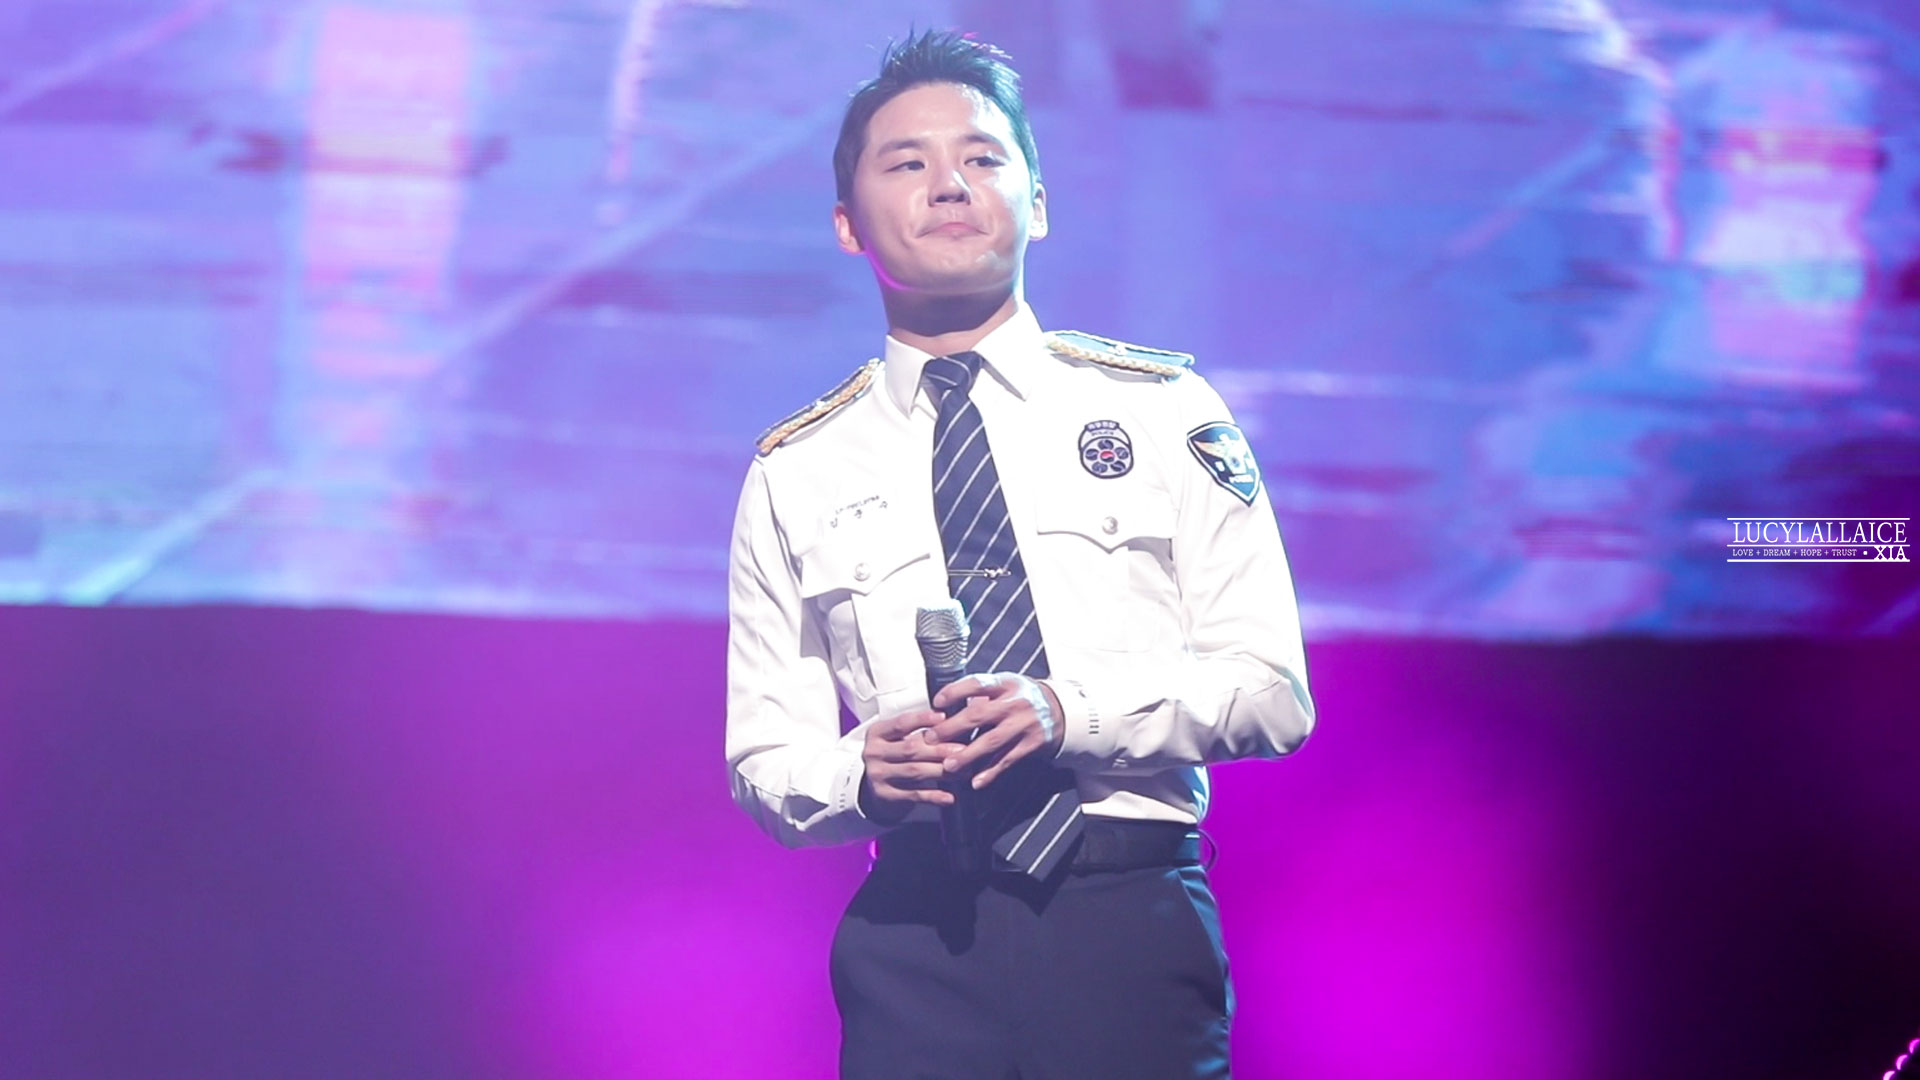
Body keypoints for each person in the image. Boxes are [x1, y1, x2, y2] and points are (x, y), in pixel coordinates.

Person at [725, 29, 1315, 1080]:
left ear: (1036, 203)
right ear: (848, 224)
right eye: (907, 162)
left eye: (983, 157)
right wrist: (865, 775)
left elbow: (1273, 694)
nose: (950, 184)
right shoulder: (796, 470)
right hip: (916, 938)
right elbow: (768, 763)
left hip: (1126, 918)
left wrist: (1066, 714)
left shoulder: (1165, 412)